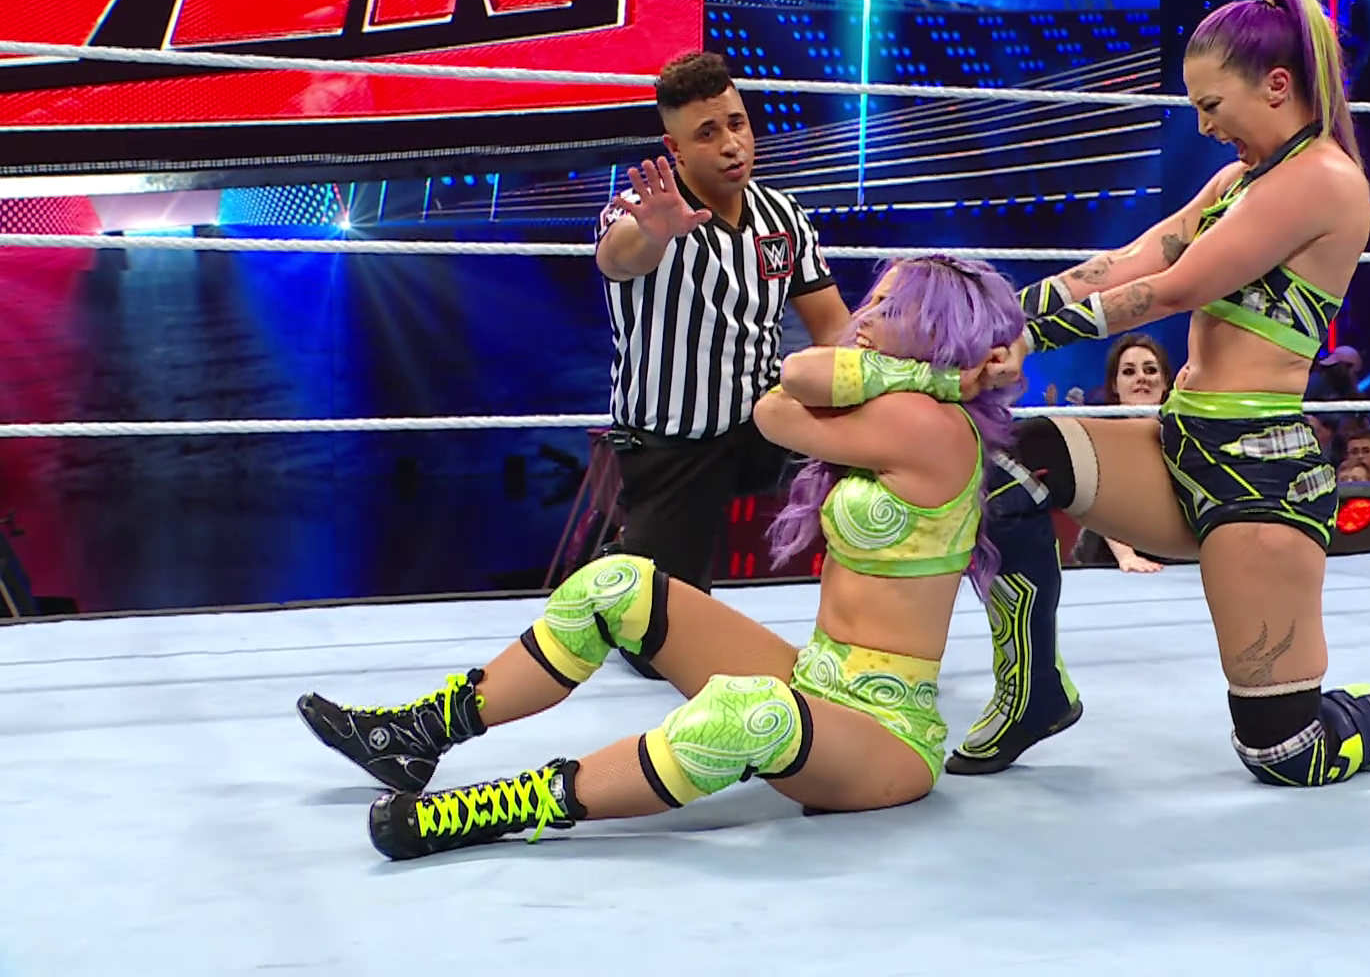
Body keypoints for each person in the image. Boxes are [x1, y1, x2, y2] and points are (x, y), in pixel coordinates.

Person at [948, 0, 1370, 784]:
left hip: (1260, 471)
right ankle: (1032, 692)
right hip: (1180, 442)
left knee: (1288, 752)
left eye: (1211, 105)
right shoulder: (1239, 182)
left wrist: (1028, 339)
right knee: (1007, 463)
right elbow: (1133, 258)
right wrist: (993, 318)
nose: (1204, 127)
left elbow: (1176, 288)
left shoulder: (1324, 178)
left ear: (1276, 85)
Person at [296, 256, 1026, 860]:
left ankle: (490, 809)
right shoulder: (909, 405)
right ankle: (419, 733)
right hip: (818, 681)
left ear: (938, 330)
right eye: (875, 299)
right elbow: (780, 397)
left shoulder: (931, 426)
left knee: (746, 715)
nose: (865, 316)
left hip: (886, 737)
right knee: (618, 583)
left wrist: (937, 382)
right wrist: (935, 373)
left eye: (893, 308)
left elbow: (788, 394)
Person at [595, 50, 852, 679]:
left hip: (764, 426)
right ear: (675, 148)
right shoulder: (639, 210)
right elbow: (618, 258)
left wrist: (893, 394)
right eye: (707, 133)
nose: (731, 144)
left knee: (888, 446)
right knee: (659, 655)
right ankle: (621, 559)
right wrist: (655, 233)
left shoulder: (782, 215)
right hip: (674, 441)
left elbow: (834, 328)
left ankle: (873, 620)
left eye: (736, 123)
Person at [1071, 333, 1175, 573]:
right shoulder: (1102, 435)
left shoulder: (1183, 434)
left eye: (1150, 370)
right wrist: (1127, 557)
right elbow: (1102, 503)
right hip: (1108, 562)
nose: (1141, 378)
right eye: (1129, 372)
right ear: (1115, 385)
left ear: (1165, 381)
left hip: (1173, 557)